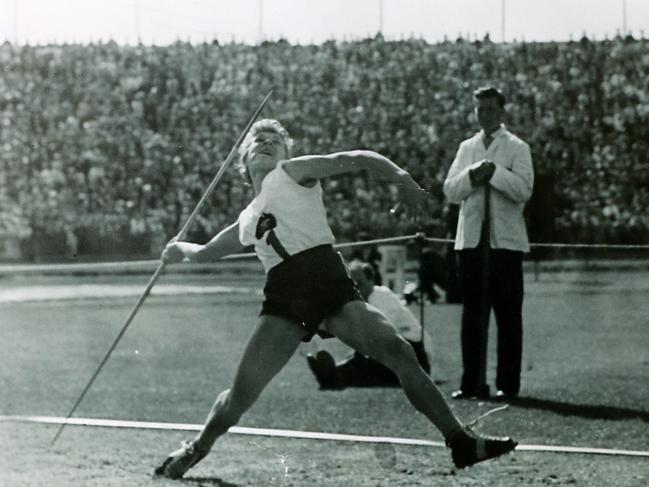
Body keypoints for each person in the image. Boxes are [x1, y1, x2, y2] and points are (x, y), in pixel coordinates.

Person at [154, 118, 516, 479]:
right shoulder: (246, 220)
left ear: (285, 153)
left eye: (274, 141)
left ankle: (460, 441)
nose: (265, 144)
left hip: (329, 281)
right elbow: (204, 253)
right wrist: (178, 250)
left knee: (399, 351)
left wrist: (402, 178)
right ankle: (195, 449)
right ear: (243, 159)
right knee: (239, 397)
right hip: (286, 299)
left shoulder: (292, 172)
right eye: (258, 140)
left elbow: (357, 157)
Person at [443, 86, 534, 401]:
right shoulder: (467, 147)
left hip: (505, 244)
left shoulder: (517, 147)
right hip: (471, 243)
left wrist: (493, 174)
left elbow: (524, 190)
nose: (484, 115)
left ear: (502, 112)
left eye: (491, 109)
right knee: (473, 318)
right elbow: (450, 190)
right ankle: (472, 384)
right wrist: (473, 175)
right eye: (480, 109)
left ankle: (508, 386)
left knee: (508, 317)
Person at [306, 260, 430, 389]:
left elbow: (380, 336)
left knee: (366, 362)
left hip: (415, 353)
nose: (356, 288)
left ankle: (336, 375)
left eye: (359, 283)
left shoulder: (382, 296)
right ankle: (334, 376)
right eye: (352, 284)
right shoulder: (365, 300)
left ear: (371, 280)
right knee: (362, 362)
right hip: (397, 352)